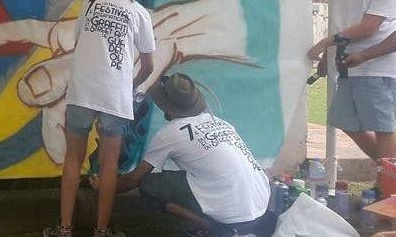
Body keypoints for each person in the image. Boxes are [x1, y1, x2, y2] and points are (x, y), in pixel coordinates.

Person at [44, 0, 155, 237]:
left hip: (82, 90)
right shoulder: (139, 12)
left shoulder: (92, 0)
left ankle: (64, 229)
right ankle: (102, 231)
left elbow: (80, 42)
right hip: (115, 96)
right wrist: (129, 85)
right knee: (109, 165)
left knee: (73, 159)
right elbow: (149, 66)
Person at [97, 73, 271, 237]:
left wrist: (103, 187)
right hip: (260, 207)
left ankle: (208, 227)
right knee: (182, 178)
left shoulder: (171, 133)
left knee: (148, 184)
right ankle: (209, 222)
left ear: (166, 105)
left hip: (232, 219)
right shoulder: (219, 122)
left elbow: (134, 179)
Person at [306, 0, 396, 161]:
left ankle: (388, 177)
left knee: (383, 129)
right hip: (348, 66)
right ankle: (389, 170)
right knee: (345, 121)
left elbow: (369, 26)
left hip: (378, 68)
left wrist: (325, 42)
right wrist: (328, 57)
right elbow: (340, 20)